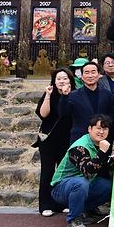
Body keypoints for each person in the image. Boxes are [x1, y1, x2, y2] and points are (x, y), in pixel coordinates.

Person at [50, 114, 114, 227]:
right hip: (61, 187)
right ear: (89, 129)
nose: (101, 132)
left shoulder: (102, 144)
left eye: (105, 129)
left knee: (110, 186)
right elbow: (88, 171)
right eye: (98, 128)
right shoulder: (79, 147)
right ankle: (74, 220)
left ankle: (85, 210)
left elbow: (101, 168)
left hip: (84, 184)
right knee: (81, 183)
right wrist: (102, 152)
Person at [35, 68, 75, 216]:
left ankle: (60, 203)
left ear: (70, 80)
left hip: (67, 138)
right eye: (59, 79)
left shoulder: (75, 94)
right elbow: (43, 114)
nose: (62, 81)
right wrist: (47, 95)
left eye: (65, 78)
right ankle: (45, 204)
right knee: (48, 171)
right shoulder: (49, 94)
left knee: (63, 172)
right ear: (54, 81)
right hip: (48, 139)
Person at [58, 61, 114, 144]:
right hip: (80, 138)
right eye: (86, 72)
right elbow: (63, 114)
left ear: (99, 75)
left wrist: (103, 127)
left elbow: (112, 114)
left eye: (93, 72)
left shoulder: (107, 94)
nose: (90, 76)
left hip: (102, 138)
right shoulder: (73, 95)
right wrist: (64, 96)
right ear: (82, 76)